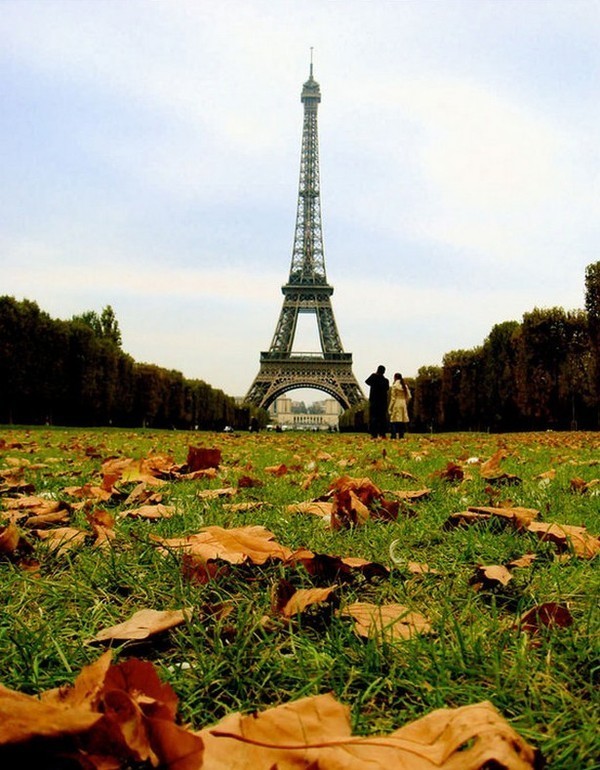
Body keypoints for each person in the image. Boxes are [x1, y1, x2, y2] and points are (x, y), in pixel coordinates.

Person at [365, 365, 389, 438]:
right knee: (382, 418)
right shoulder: (386, 380)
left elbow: (367, 382)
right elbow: (387, 389)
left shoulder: (373, 377)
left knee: (373, 418)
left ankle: (374, 434)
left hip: (374, 401)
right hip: (382, 402)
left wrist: (375, 374)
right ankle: (382, 433)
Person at [388, 372, 411, 438]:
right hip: (403, 403)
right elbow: (409, 396)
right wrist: (405, 402)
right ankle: (401, 435)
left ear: (395, 378)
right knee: (402, 420)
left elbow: (393, 398)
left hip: (396, 403)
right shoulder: (404, 386)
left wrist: (390, 408)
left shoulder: (395, 386)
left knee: (394, 420)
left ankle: (393, 435)